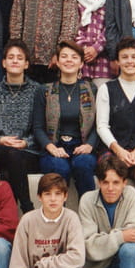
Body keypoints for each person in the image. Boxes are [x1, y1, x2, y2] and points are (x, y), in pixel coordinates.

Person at [8, 173, 86, 268]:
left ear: (65, 196)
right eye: (47, 194)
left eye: (58, 194)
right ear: (39, 197)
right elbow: (18, 261)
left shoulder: (71, 218)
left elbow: (78, 257)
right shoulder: (28, 220)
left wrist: (45, 265)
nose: (53, 199)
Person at [96, 37, 135, 217]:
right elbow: (102, 126)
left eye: (134, 57)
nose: (129, 61)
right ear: (117, 61)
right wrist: (119, 151)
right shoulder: (106, 89)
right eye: (124, 57)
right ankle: (111, 223)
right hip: (112, 149)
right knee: (111, 177)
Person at [33, 40, 98, 199]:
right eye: (64, 56)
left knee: (83, 164)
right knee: (59, 167)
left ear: (81, 63)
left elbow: (99, 124)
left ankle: (88, 210)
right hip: (54, 147)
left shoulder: (91, 89)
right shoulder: (45, 90)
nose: (69, 60)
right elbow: (38, 127)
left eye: (74, 57)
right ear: (57, 61)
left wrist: (89, 145)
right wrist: (51, 147)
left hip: (81, 147)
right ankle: (58, 211)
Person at [0, 39, 41, 212]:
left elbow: (42, 128)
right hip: (0, 149)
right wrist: (0, 140)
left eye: (19, 58)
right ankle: (27, 208)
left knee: (9, 169)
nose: (15, 61)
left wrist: (26, 142)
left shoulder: (37, 90)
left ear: (26, 64)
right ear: (3, 63)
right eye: (10, 57)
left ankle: (7, 216)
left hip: (28, 151)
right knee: (11, 155)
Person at [73, 0, 117, 88]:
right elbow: (71, 21)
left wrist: (96, 48)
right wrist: (84, 48)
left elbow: (112, 23)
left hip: (103, 59)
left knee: (103, 98)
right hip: (79, 56)